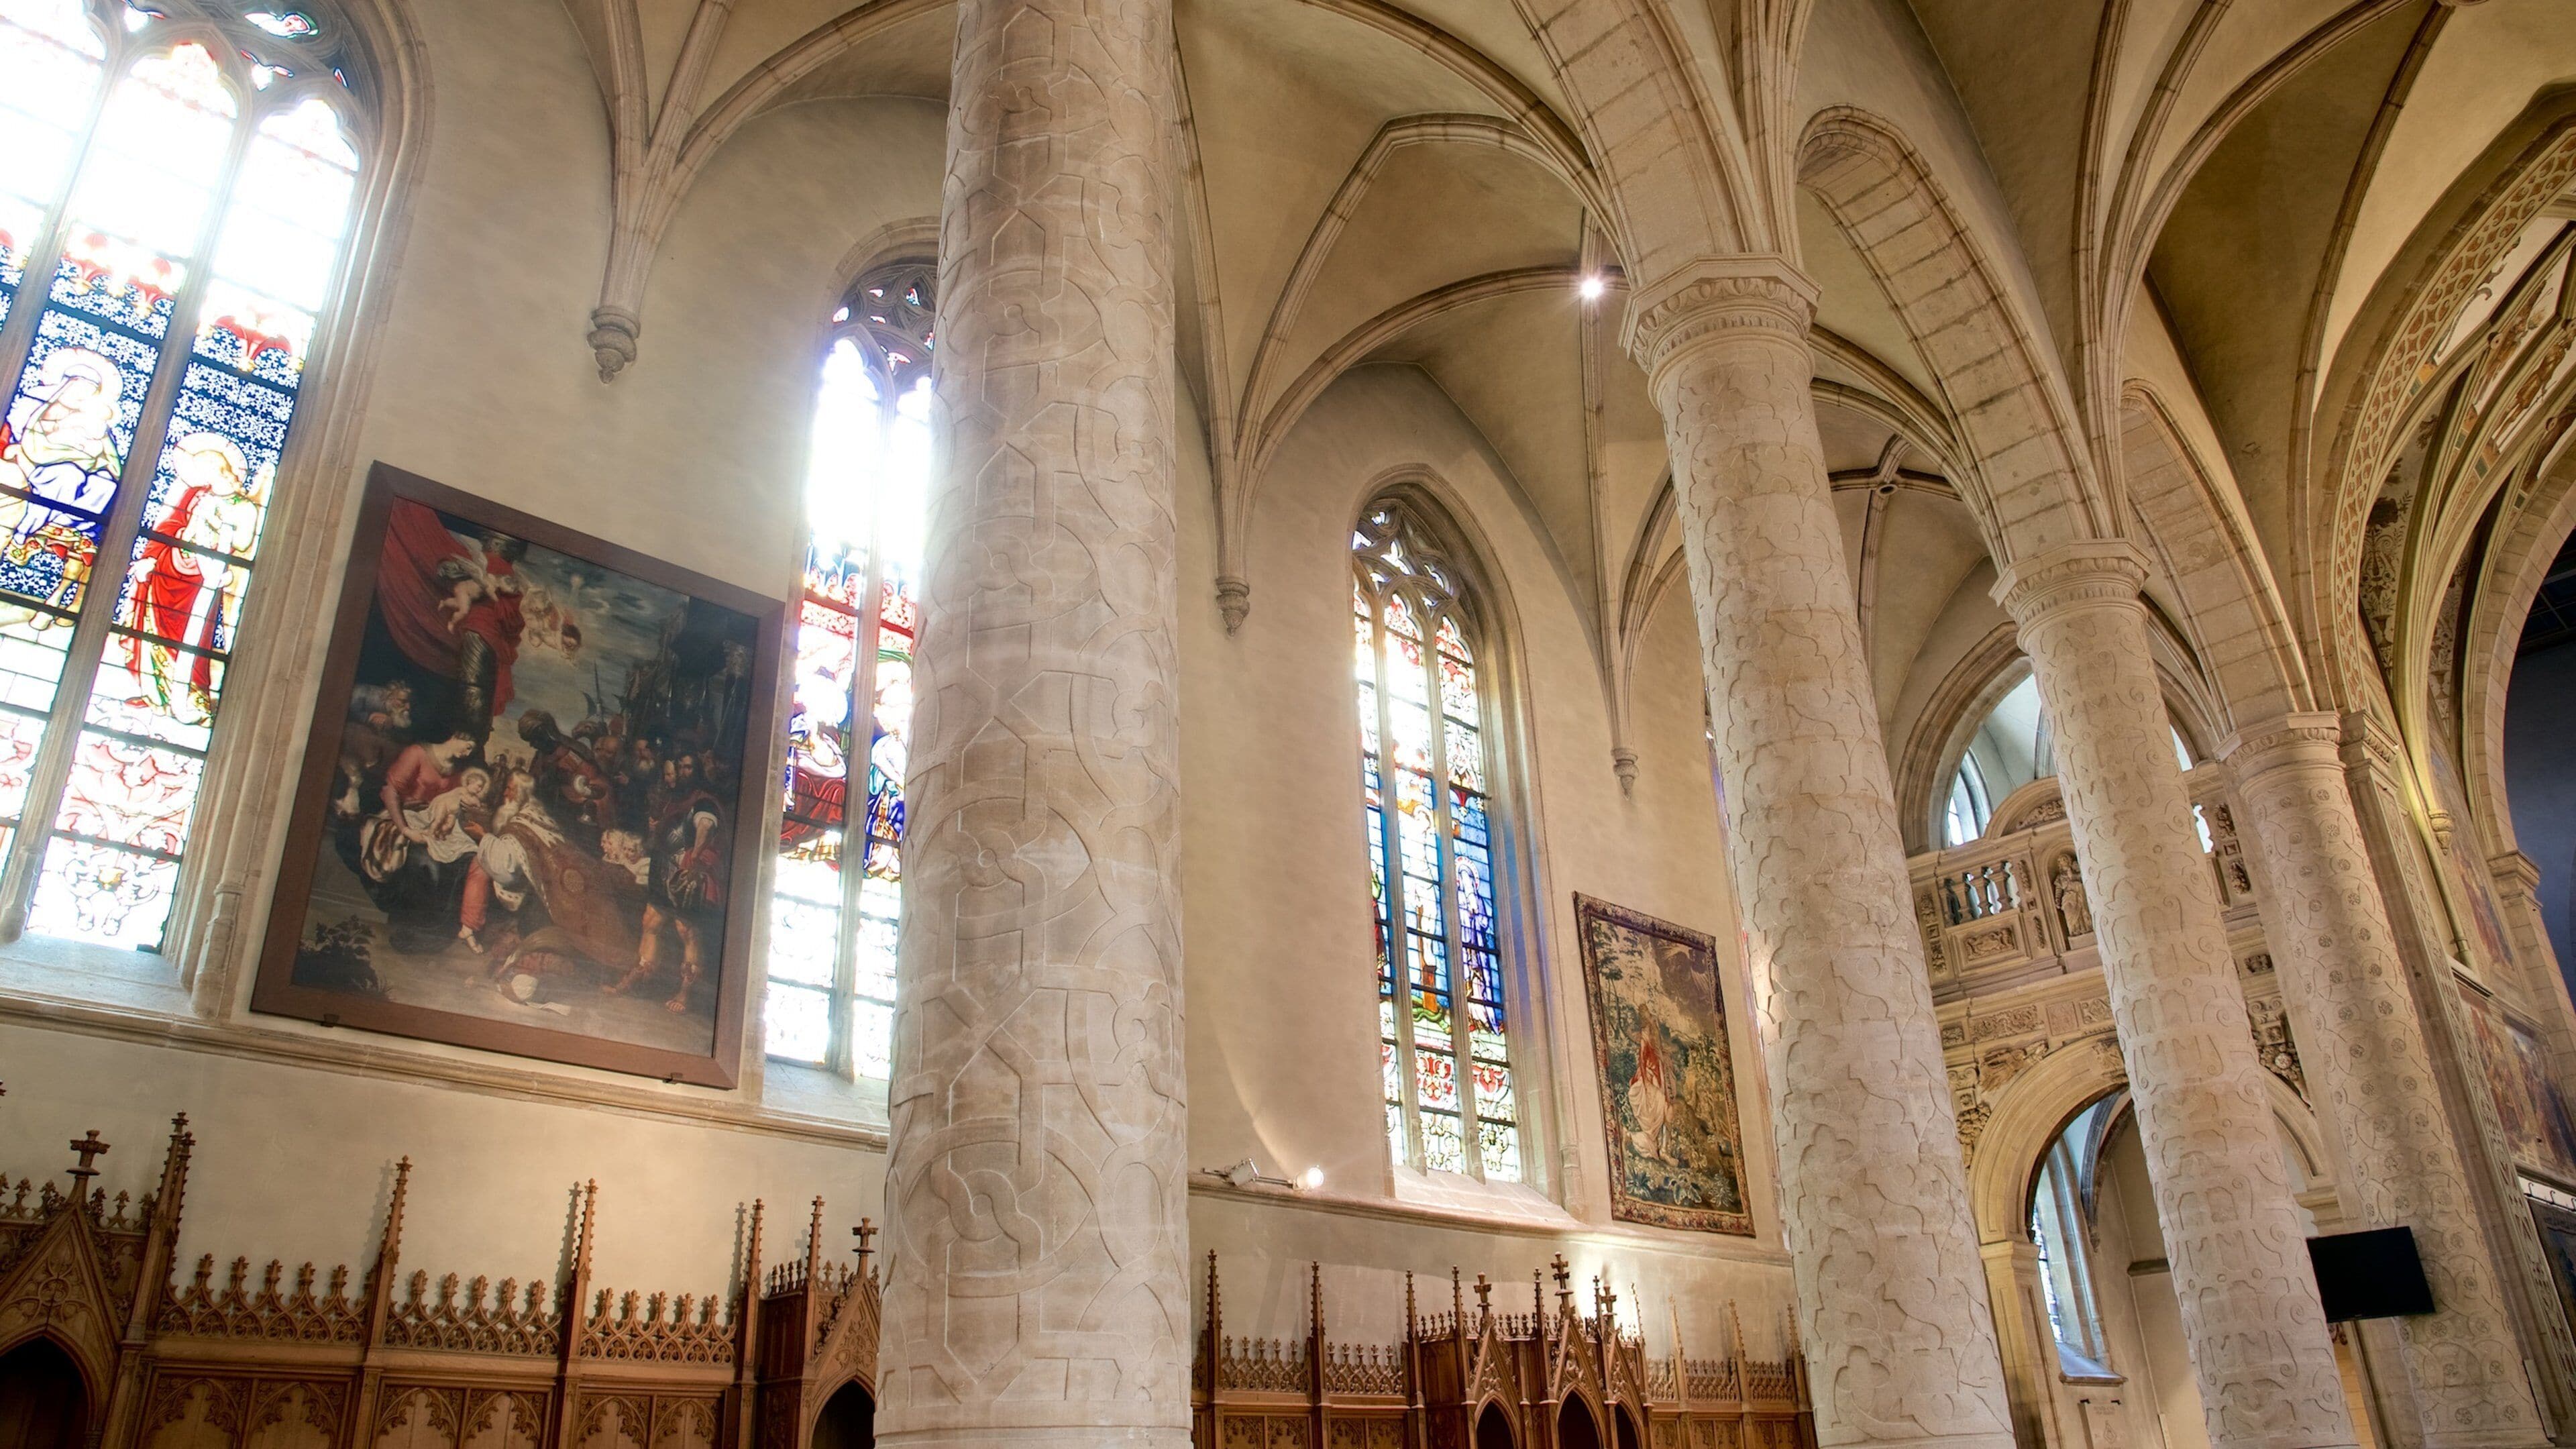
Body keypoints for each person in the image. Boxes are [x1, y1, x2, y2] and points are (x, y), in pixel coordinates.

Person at [118, 432, 262, 724]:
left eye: (203, 469)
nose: (198, 476)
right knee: (154, 625)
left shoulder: (243, 506)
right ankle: (155, 692)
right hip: (169, 565)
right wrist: (149, 557)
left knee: (193, 634)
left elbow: (245, 542)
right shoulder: (197, 495)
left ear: (218, 469)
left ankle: (194, 695)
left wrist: (219, 521)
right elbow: (171, 524)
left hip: (204, 575)